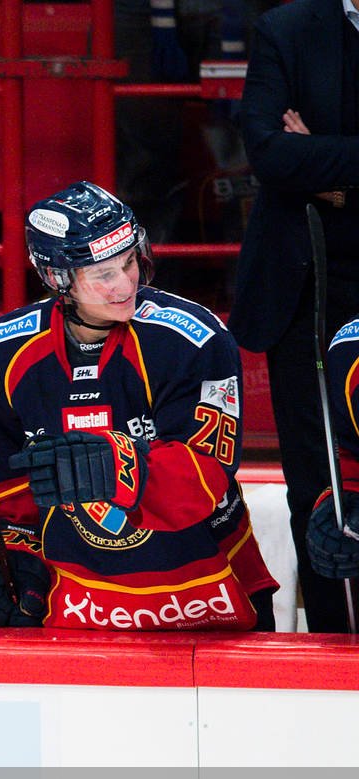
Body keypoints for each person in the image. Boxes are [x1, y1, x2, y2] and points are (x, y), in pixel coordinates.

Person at [0, 182, 275, 630]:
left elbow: (207, 475)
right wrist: (12, 556)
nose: (125, 283)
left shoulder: (194, 339)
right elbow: (9, 488)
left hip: (206, 587)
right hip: (80, 598)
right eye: (103, 274)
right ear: (58, 278)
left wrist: (113, 463)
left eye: (129, 262)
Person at [228, 0, 359, 629]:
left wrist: (325, 173)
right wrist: (311, 170)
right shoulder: (286, 27)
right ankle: (333, 645)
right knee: (315, 485)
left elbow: (298, 161)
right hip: (303, 285)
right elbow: (271, 153)